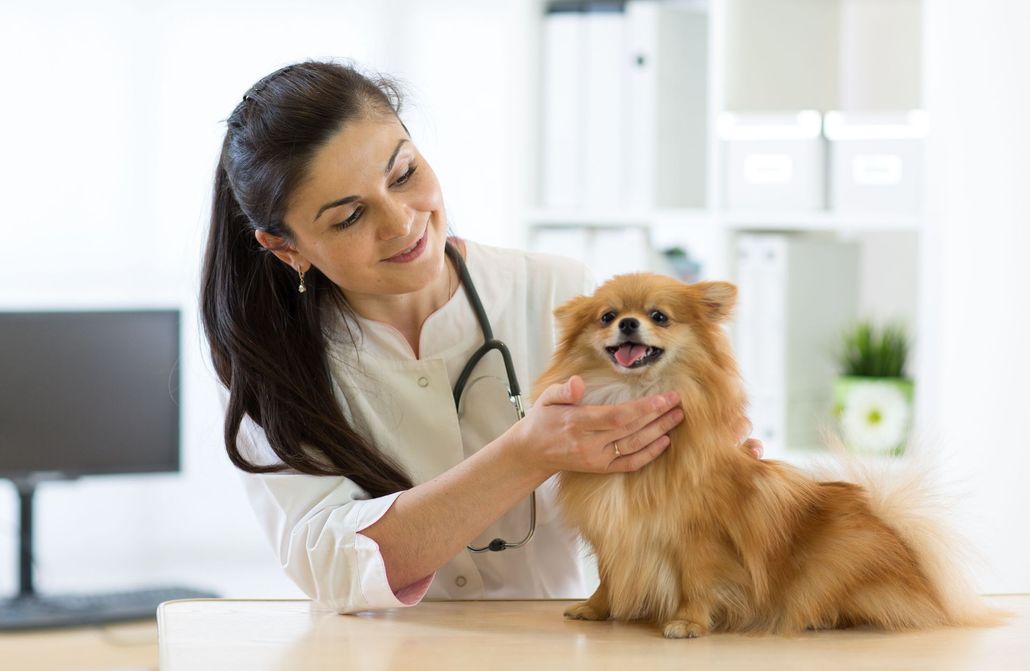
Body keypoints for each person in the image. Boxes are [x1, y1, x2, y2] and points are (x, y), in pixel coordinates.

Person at [201, 60, 762, 614]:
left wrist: (703, 464)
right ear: (286, 247)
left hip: (555, 645)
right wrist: (526, 455)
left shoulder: (557, 294)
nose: (402, 222)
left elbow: (668, 485)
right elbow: (332, 563)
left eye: (404, 175)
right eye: (349, 217)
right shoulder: (268, 360)